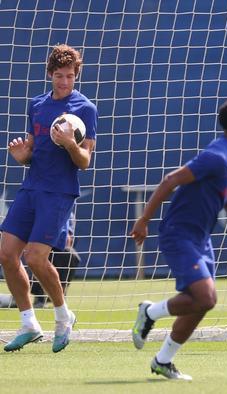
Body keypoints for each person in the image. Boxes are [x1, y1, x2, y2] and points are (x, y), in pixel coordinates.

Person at [130, 98, 227, 380]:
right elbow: (170, 180)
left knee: (203, 302)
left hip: (201, 239)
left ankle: (163, 360)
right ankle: (150, 312)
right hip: (179, 234)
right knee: (205, 296)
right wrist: (144, 219)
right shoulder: (216, 156)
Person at [0, 44, 97, 353]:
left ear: (76, 75)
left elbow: (84, 161)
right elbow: (32, 149)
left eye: (69, 76)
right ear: (50, 75)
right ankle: (29, 324)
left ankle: (62, 316)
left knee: (36, 257)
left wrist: (70, 143)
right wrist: (21, 155)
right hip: (31, 187)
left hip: (59, 192)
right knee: (6, 254)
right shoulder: (37, 105)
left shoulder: (85, 109)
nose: (64, 82)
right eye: (59, 76)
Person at [0, 212, 80, 309]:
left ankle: (58, 295)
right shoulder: (24, 208)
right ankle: (25, 298)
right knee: (14, 254)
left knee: (69, 254)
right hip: (27, 250)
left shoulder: (64, 210)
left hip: (51, 248)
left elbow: (67, 240)